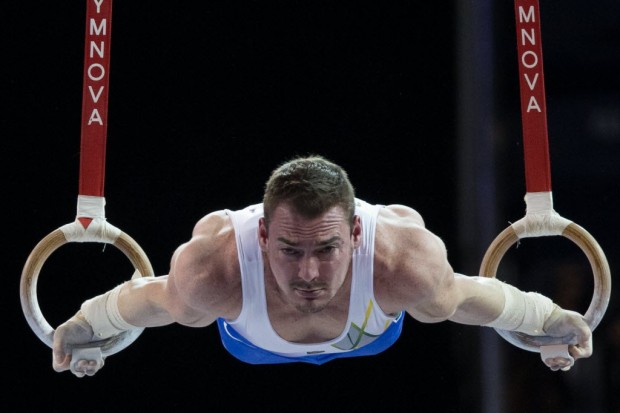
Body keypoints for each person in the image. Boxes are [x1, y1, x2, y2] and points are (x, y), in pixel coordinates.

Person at [52, 154, 592, 377]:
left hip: (372, 329)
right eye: (289, 249)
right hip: (252, 341)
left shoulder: (401, 262)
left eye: (327, 249)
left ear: (356, 234)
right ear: (261, 235)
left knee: (435, 296)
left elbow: (473, 297)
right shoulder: (215, 271)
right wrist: (86, 326)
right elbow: (148, 298)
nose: (308, 273)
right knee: (187, 299)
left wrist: (544, 319)